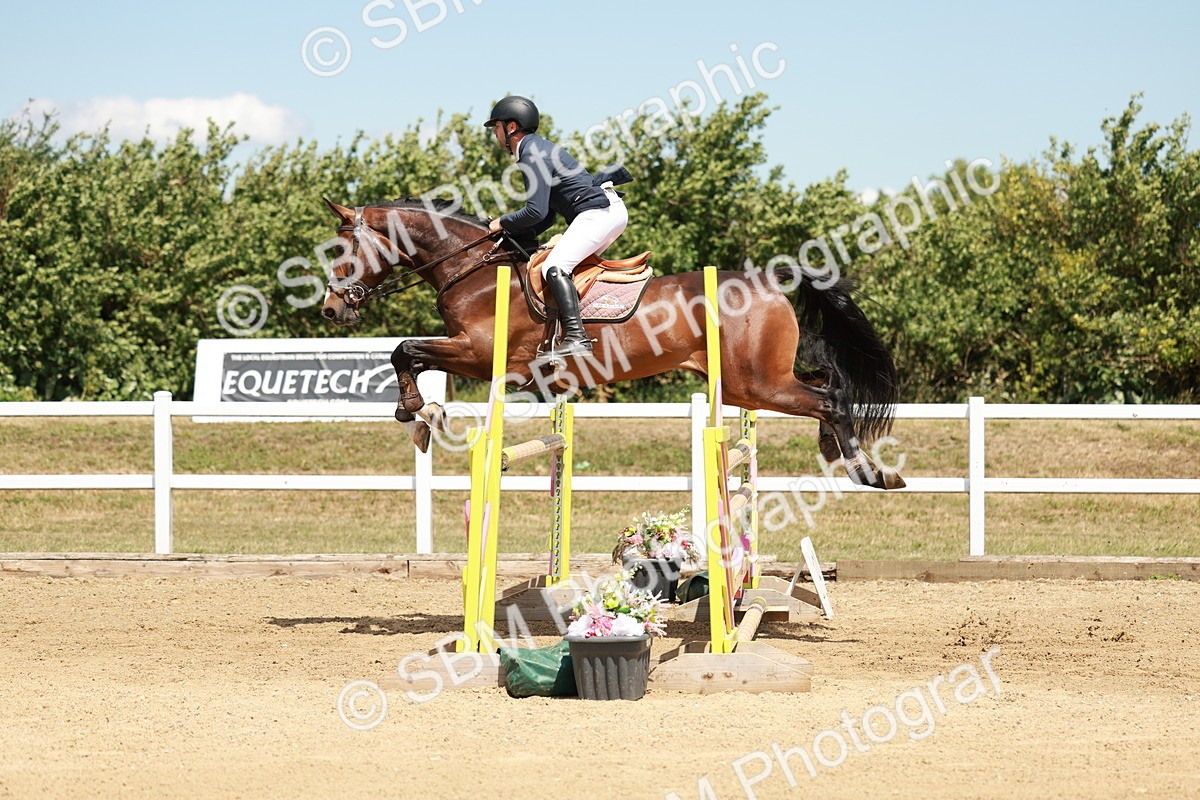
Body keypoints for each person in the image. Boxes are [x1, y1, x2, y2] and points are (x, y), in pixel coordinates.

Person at [484, 95, 629, 359]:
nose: (494, 133)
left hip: (598, 213)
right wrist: (512, 236)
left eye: (496, 127)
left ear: (511, 127)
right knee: (567, 267)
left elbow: (535, 211)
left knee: (555, 267)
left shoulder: (531, 153)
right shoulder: (536, 148)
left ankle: (577, 337)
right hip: (606, 212)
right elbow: (547, 217)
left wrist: (501, 222)